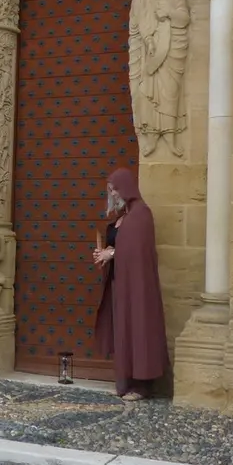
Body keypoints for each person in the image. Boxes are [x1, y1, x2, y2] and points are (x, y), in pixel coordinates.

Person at [92, 168, 169, 401]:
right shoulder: (123, 218)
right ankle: (126, 381)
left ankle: (142, 385)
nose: (112, 194)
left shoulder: (141, 214)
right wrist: (105, 253)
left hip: (137, 288)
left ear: (125, 188)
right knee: (124, 331)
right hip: (120, 284)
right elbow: (121, 246)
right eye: (110, 190)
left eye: (115, 189)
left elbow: (137, 249)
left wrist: (113, 253)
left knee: (138, 330)